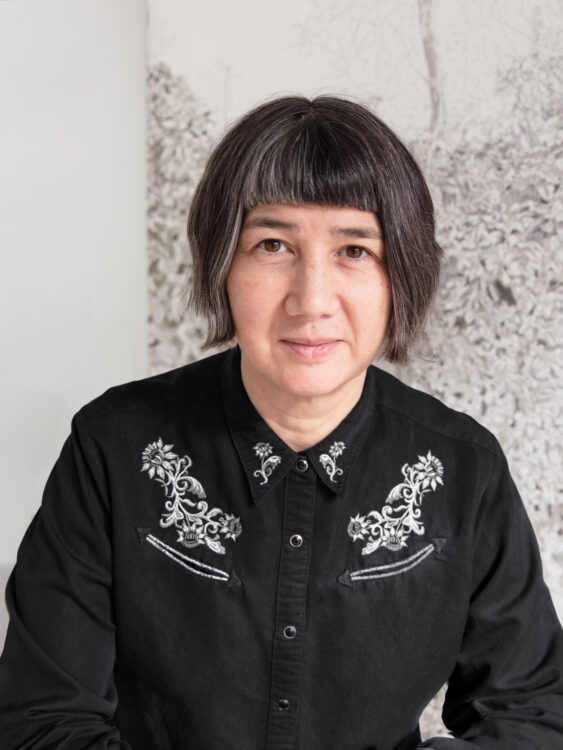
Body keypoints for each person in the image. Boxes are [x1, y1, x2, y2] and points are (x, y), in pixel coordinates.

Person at [0, 95, 562, 750]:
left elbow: (530, 712)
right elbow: (42, 723)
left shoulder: (463, 468)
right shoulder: (114, 448)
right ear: (222, 265)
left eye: (355, 250)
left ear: (400, 275)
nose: (312, 300)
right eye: (272, 245)